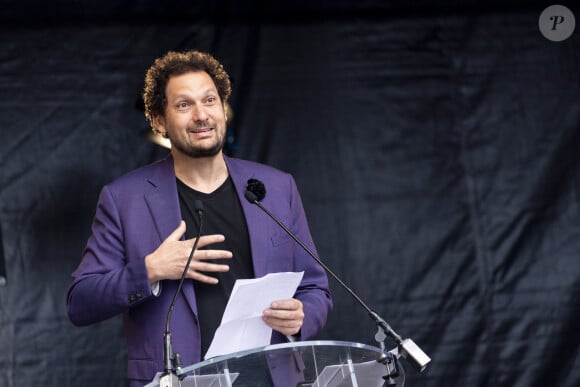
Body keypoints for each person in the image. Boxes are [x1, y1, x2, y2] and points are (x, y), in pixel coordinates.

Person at [66, 50, 333, 386]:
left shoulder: (275, 187)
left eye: (209, 100)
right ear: (159, 121)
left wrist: (301, 316)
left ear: (223, 108)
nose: (201, 115)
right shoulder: (124, 199)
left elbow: (315, 289)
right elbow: (81, 302)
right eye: (183, 105)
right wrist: (150, 270)